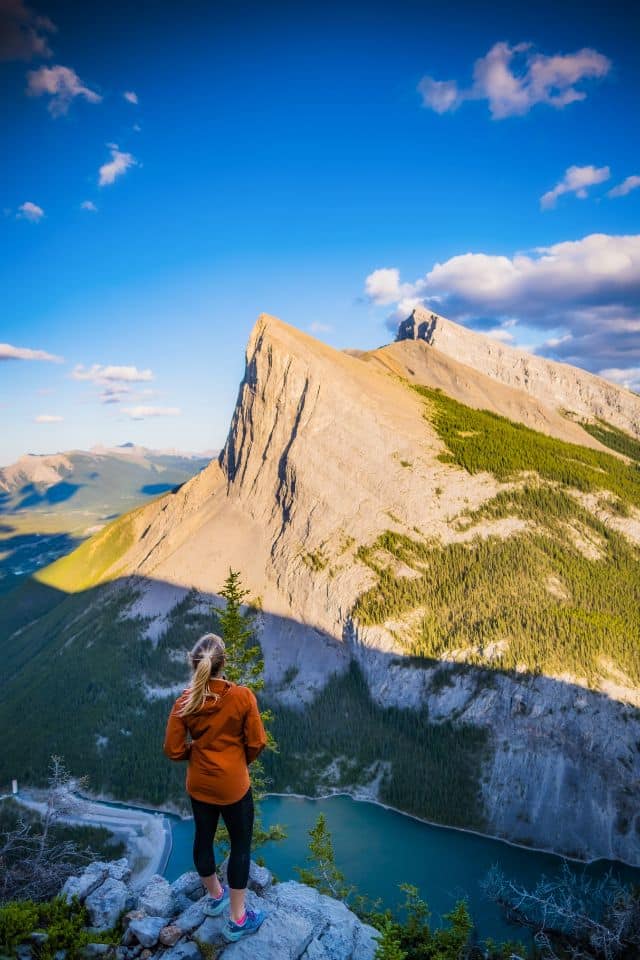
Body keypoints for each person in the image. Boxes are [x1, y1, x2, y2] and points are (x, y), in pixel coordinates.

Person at [163, 632, 268, 942]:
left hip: (200, 786)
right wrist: (239, 761)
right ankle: (237, 918)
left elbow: (172, 749)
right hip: (234, 786)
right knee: (240, 847)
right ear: (223, 664)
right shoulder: (241, 696)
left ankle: (215, 896)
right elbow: (257, 742)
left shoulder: (185, 701)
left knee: (203, 839)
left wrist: (193, 753)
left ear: (194, 666)